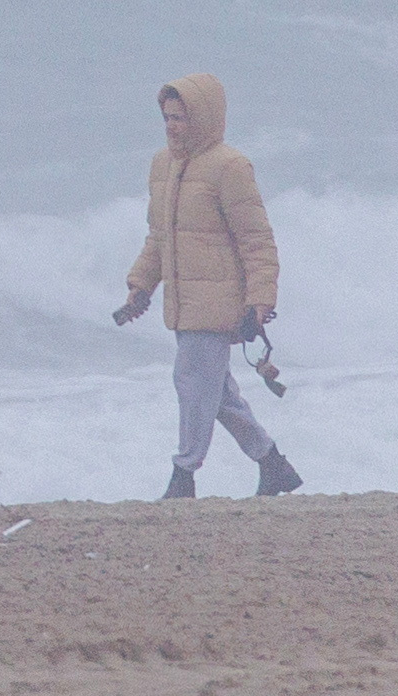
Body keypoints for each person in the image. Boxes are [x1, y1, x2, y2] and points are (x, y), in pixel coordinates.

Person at [112, 72, 302, 499]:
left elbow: (257, 241)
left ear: (204, 117)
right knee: (217, 395)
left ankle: (184, 477)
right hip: (182, 301)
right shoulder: (162, 165)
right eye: (166, 117)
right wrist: (140, 286)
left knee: (192, 383)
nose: (171, 125)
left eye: (180, 117)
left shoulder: (230, 167)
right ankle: (274, 465)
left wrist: (260, 300)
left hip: (218, 304)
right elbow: (158, 237)